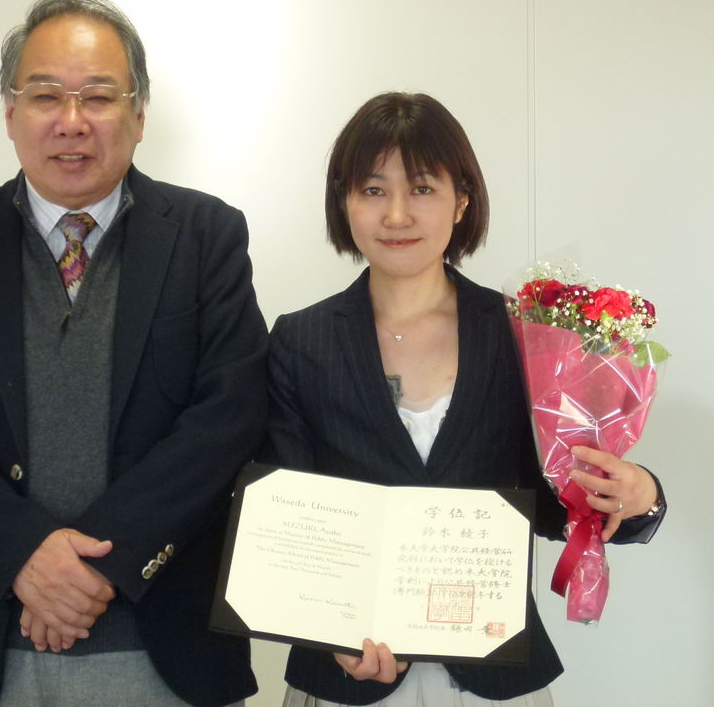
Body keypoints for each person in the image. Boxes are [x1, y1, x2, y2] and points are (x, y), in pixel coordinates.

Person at [0, 0, 268, 707]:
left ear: (139, 116)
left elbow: (228, 415)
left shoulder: (207, 236)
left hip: (168, 648)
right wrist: (24, 554)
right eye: (46, 95)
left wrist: (95, 567)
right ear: (10, 114)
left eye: (99, 97)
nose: (72, 121)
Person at [266, 92, 666, 706]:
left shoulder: (523, 334)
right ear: (344, 202)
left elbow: (554, 504)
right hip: (350, 674)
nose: (396, 214)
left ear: (462, 201)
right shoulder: (300, 339)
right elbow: (288, 514)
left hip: (492, 676)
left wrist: (635, 496)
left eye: (422, 188)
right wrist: (328, 633)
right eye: (372, 190)